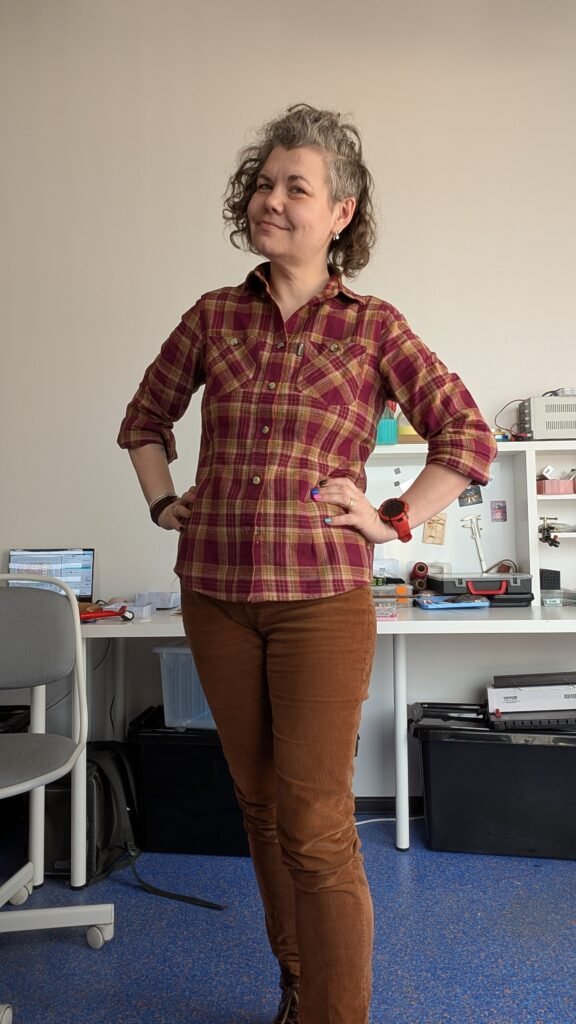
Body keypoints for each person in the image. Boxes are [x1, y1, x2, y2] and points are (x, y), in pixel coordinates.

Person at [118, 103, 497, 1024]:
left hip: (320, 602)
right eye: (263, 183)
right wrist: (164, 503)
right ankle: (297, 982)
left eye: (297, 187)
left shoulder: (374, 327)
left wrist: (393, 518)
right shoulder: (214, 316)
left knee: (318, 824)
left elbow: (467, 436)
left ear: (341, 213)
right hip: (215, 594)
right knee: (258, 805)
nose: (272, 200)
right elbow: (145, 421)